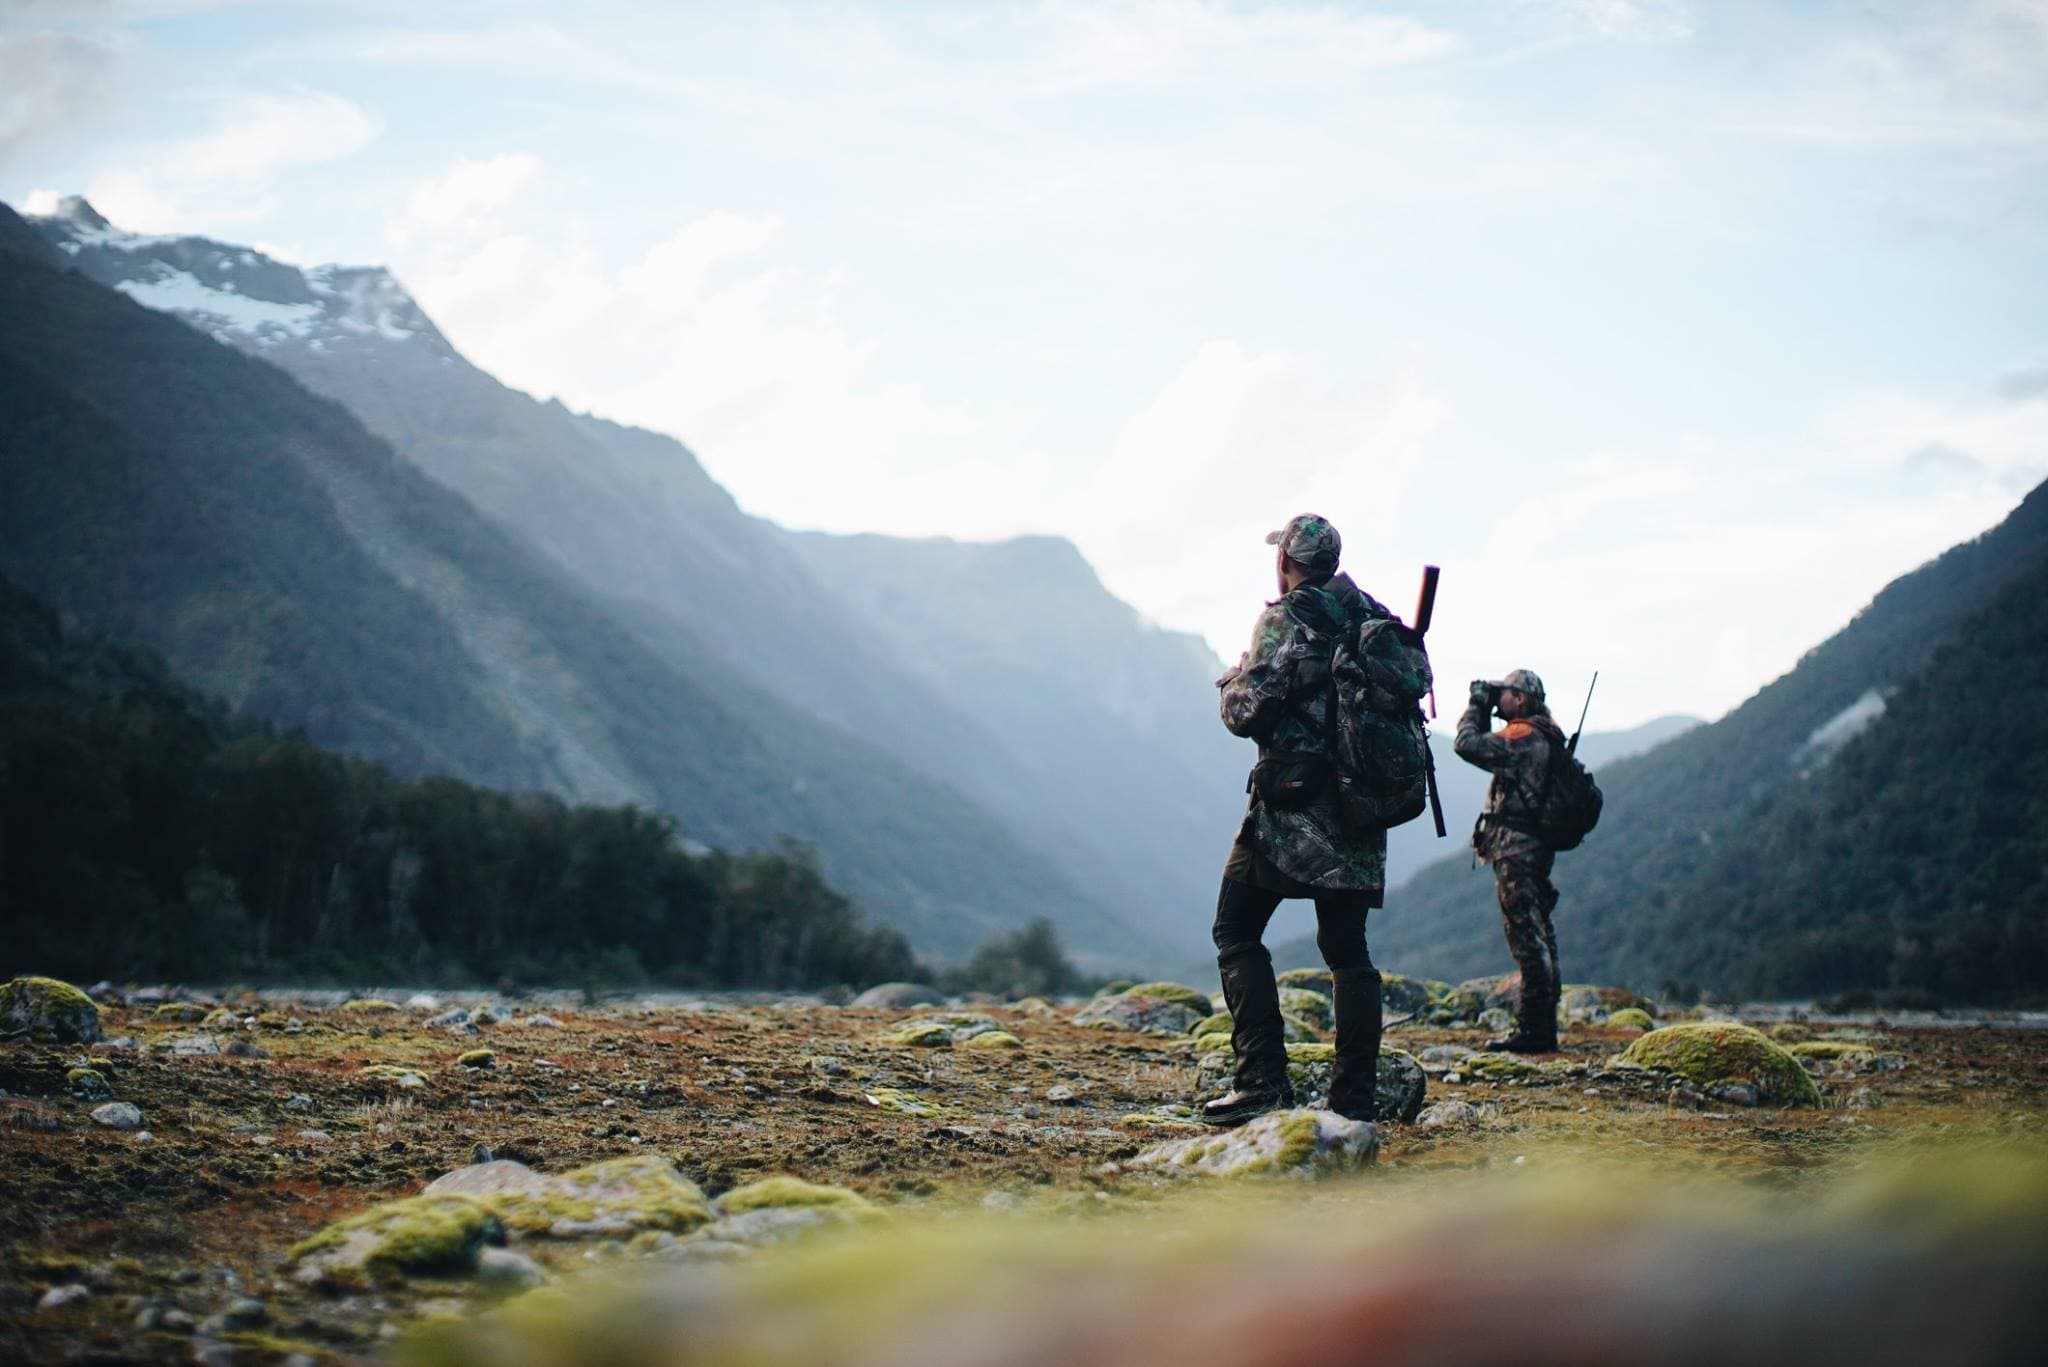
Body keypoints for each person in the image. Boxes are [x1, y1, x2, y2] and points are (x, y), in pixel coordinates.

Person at [1202, 513, 1390, 1128]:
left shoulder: (1286, 619)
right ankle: (1354, 1098)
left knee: (1235, 930)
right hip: (1362, 809)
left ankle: (1262, 1083)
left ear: (1286, 562)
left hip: (1293, 811)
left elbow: (1244, 713)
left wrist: (1232, 676)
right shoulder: (1374, 618)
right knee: (1347, 952)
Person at [1454, 669, 1567, 1054]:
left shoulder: (1523, 734)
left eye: (1505, 692)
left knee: (1526, 937)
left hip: (1517, 848)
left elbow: (1468, 744)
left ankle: (1533, 1030)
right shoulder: (1546, 733)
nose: (1498, 697)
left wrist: (1476, 704)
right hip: (1535, 846)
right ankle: (1543, 1027)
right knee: (1539, 933)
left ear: (1520, 699)